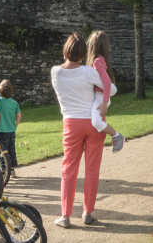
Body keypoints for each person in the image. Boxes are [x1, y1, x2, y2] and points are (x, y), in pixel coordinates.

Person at [50, 32, 106, 227]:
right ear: (83, 54)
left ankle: (65, 216)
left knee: (69, 169)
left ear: (65, 50)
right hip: (93, 122)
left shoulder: (55, 71)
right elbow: (109, 88)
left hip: (71, 123)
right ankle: (88, 213)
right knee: (92, 168)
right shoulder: (88, 72)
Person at [86, 30, 124, 152]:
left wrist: (104, 102)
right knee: (94, 120)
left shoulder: (97, 61)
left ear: (94, 45)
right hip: (99, 95)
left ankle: (116, 136)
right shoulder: (98, 60)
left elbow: (107, 83)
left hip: (101, 96)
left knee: (96, 121)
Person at [0, 79, 21, 170]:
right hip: (11, 131)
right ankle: (12, 169)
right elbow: (19, 115)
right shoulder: (14, 103)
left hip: (2, 131)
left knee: (2, 151)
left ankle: (4, 170)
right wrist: (15, 125)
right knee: (11, 150)